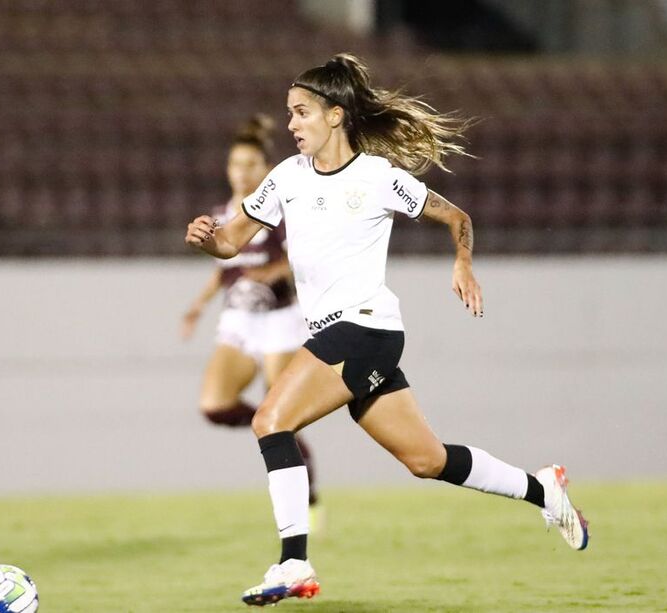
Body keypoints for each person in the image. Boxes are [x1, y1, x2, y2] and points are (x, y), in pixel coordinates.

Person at [184, 54, 589, 607]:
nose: (292, 124)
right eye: (289, 113)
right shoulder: (286, 178)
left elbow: (456, 217)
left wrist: (463, 262)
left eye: (301, 112)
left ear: (335, 115)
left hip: (365, 330)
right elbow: (230, 243)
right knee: (427, 461)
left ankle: (293, 562)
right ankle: (546, 490)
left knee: (270, 420)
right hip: (340, 335)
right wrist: (208, 237)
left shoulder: (377, 178)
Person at [181, 115, 322, 516]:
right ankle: (282, 438)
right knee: (214, 404)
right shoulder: (221, 213)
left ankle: (299, 503)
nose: (240, 173)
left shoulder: (279, 209)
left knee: (282, 416)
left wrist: (271, 272)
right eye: (234, 164)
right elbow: (224, 266)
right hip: (240, 321)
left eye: (249, 164)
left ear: (266, 169)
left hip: (280, 320)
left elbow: (299, 256)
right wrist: (199, 303)